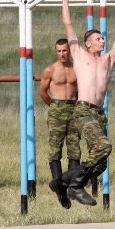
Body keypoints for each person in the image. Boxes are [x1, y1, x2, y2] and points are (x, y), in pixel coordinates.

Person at [52, 0, 115, 206]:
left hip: (99, 113)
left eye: (103, 38)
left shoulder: (108, 60)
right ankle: (75, 186)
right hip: (83, 111)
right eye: (98, 39)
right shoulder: (80, 56)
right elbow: (68, 24)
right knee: (104, 146)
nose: (102, 41)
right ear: (88, 43)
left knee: (101, 163)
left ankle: (62, 182)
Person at [39, 38, 80, 209]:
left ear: (69, 51)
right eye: (59, 51)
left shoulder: (76, 69)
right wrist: (54, 106)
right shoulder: (50, 70)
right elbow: (42, 91)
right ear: (55, 51)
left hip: (74, 108)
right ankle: (59, 188)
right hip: (57, 108)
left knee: (74, 149)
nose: (62, 54)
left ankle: (69, 184)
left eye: (65, 50)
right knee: (55, 149)